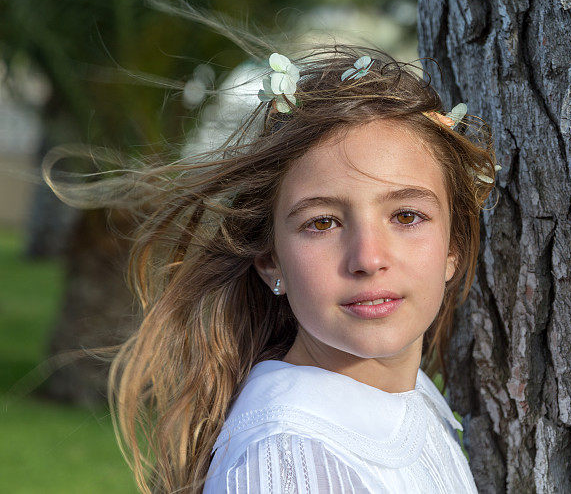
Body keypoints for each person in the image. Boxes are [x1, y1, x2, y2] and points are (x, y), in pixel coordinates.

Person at [44, 38, 499, 493]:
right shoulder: (289, 460)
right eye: (323, 222)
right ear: (270, 261)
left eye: (406, 217)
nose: (368, 258)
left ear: (452, 248)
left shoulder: (404, 403)